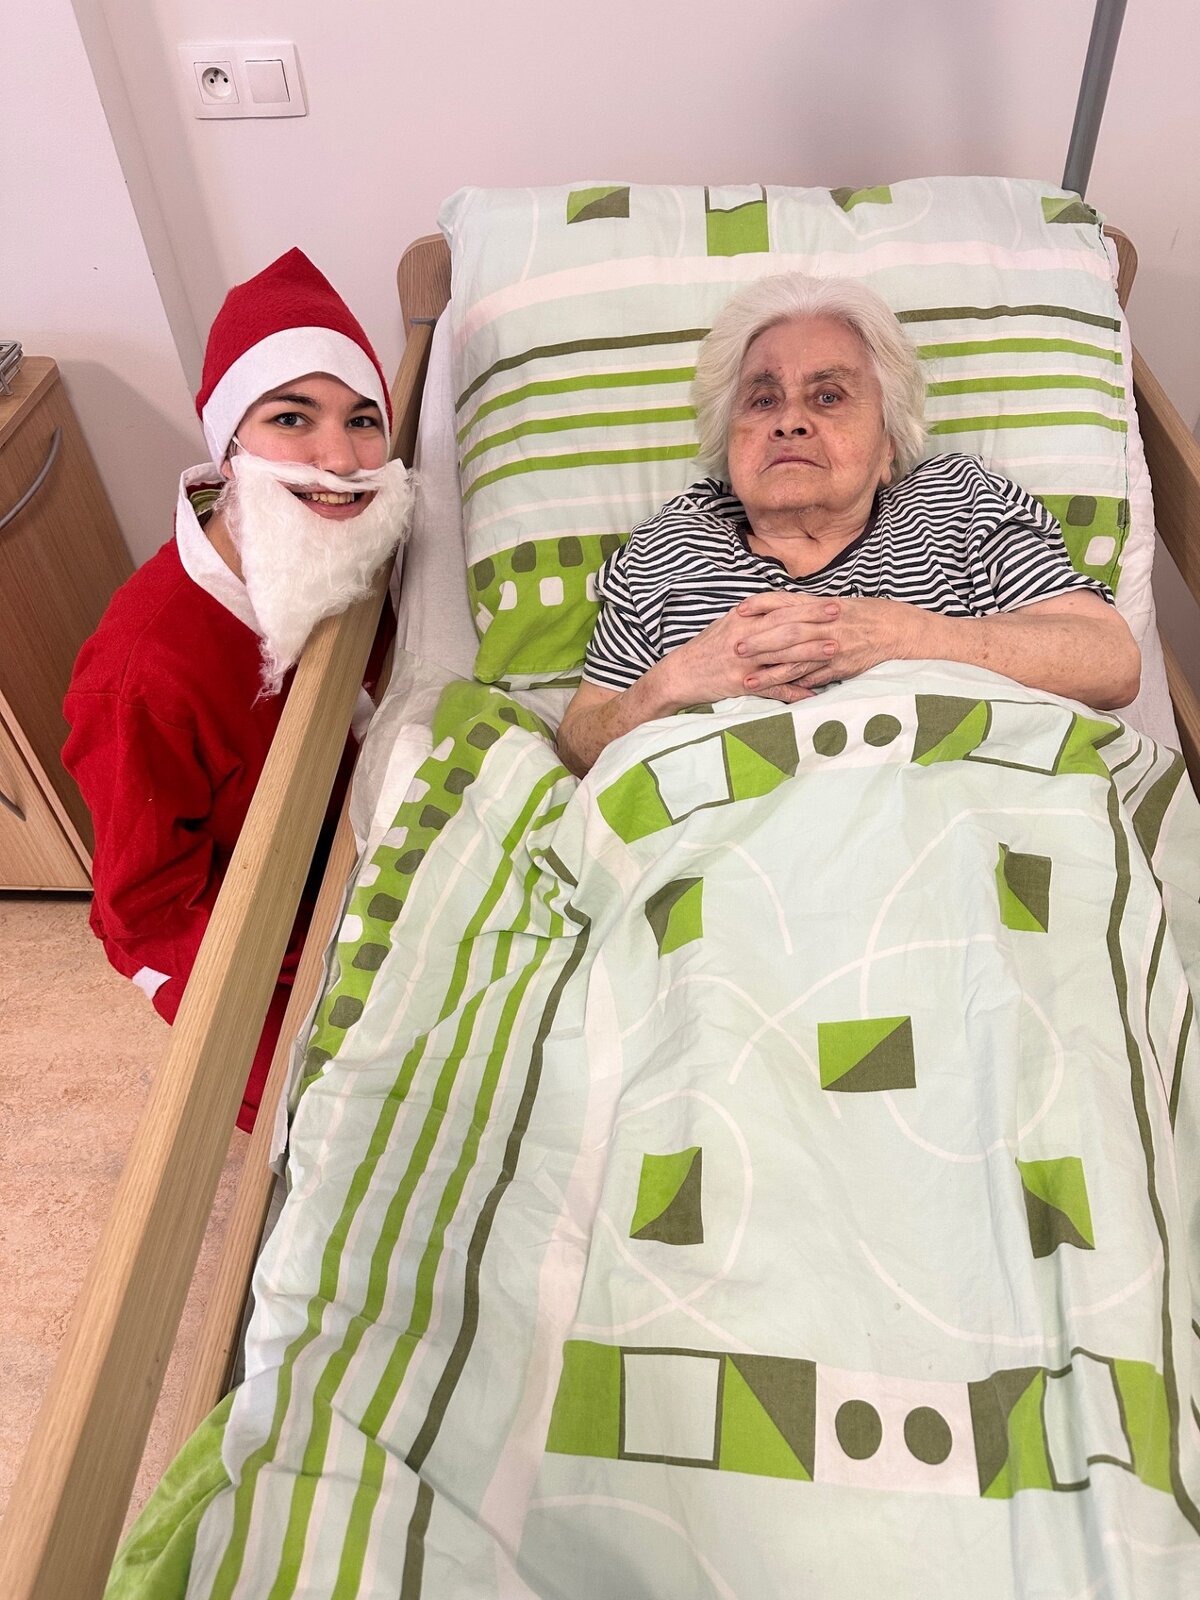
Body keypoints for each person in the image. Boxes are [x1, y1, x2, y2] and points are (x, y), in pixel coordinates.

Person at [63, 249, 414, 1131]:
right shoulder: (142, 673)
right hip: (244, 927)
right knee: (348, 1118)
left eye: (364, 420)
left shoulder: (363, 536)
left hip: (353, 846)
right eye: (292, 417)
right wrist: (310, 969)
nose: (340, 459)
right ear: (228, 447)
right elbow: (143, 911)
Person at [556, 271, 1140, 777]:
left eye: (829, 396)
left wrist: (906, 638)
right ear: (727, 443)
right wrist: (677, 679)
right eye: (762, 401)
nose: (789, 421)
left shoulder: (957, 501)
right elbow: (578, 745)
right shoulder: (670, 545)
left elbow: (1111, 662)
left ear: (889, 445)